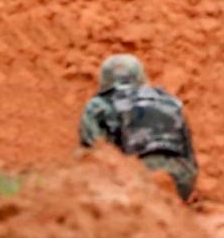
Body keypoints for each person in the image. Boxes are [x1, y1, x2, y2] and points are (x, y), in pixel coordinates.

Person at [78, 54, 198, 201]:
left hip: (136, 183)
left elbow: (95, 148)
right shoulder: (170, 101)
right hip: (181, 181)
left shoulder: (99, 105)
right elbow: (189, 152)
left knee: (82, 157)